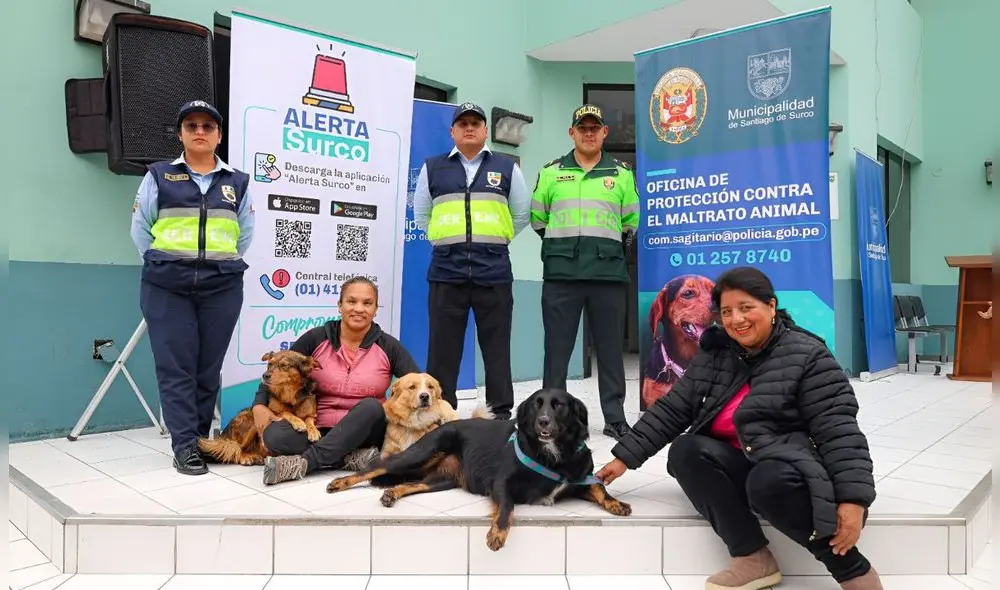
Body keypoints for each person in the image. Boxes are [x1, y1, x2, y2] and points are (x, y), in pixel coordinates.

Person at [596, 267, 883, 590]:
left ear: (771, 307)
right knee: (685, 450)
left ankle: (851, 570)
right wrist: (624, 458)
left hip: (784, 469)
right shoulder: (716, 352)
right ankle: (752, 557)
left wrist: (853, 500)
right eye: (727, 312)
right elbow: (673, 409)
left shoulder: (807, 355)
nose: (737, 320)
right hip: (735, 465)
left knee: (767, 481)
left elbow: (839, 429)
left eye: (747, 308)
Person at [130, 100, 255, 476]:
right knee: (176, 367)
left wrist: (215, 264)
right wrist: (167, 264)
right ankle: (184, 445)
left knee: (207, 367)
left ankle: (200, 439)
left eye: (207, 126)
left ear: (219, 135)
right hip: (168, 286)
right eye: (191, 125)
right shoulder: (158, 176)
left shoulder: (238, 182)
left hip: (222, 286)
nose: (200, 131)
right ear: (181, 134)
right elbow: (141, 230)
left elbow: (243, 235)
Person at [412, 102, 531, 421]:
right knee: (442, 351)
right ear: (452, 131)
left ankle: (500, 414)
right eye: (462, 123)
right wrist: (448, 242)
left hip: (493, 272)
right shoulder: (433, 167)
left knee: (496, 350)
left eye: (475, 123)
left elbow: (520, 216)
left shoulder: (506, 167)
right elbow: (422, 214)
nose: (469, 127)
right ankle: (441, 413)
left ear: (485, 131)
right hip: (446, 272)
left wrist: (492, 242)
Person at [530, 104, 639, 441]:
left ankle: (614, 417)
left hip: (607, 275)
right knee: (557, 352)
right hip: (561, 274)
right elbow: (538, 219)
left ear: (604, 132)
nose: (589, 133)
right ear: (572, 132)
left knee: (609, 350)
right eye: (582, 127)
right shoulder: (550, 173)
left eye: (595, 128)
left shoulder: (621, 174)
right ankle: (551, 418)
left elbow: (630, 223)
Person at [260, 276, 420, 486]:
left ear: (375, 309)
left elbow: (418, 384)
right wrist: (258, 405)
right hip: (318, 427)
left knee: (372, 407)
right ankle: (350, 458)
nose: (359, 309)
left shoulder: (389, 346)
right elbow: (279, 368)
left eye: (367, 303)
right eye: (351, 301)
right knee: (275, 435)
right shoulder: (315, 338)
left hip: (368, 429)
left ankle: (303, 464)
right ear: (340, 305)